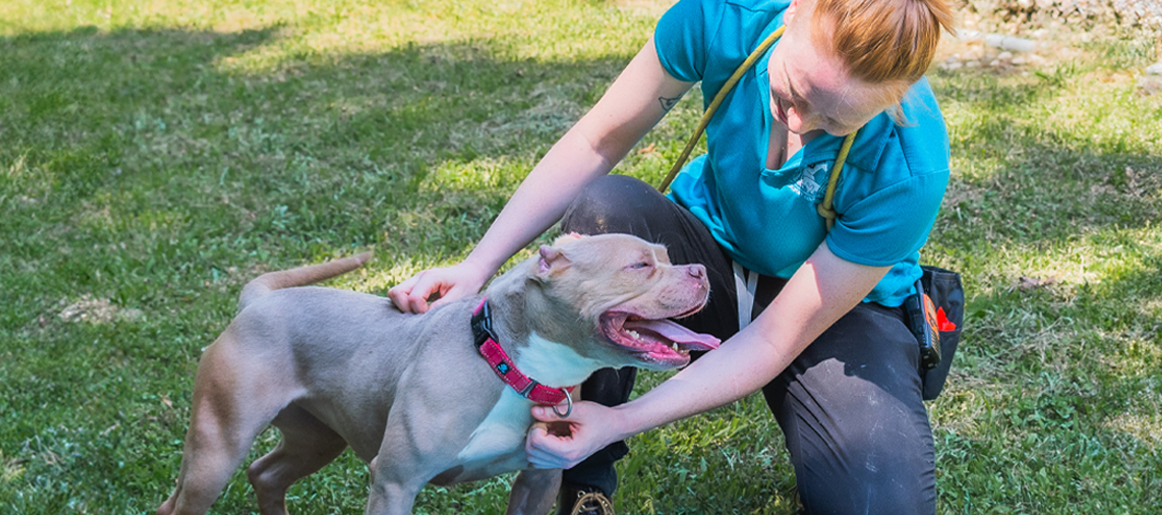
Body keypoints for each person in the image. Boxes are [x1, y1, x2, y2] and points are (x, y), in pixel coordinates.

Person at [387, 0, 953, 511]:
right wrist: (478, 264)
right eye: (792, 91)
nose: (799, 123)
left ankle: (596, 428)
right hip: (704, 256)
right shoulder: (722, 17)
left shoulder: (910, 168)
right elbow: (597, 142)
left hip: (834, 311)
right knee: (607, 209)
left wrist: (620, 420)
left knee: (882, 503)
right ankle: (582, 484)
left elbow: (775, 338)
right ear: (794, 9)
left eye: (835, 120)